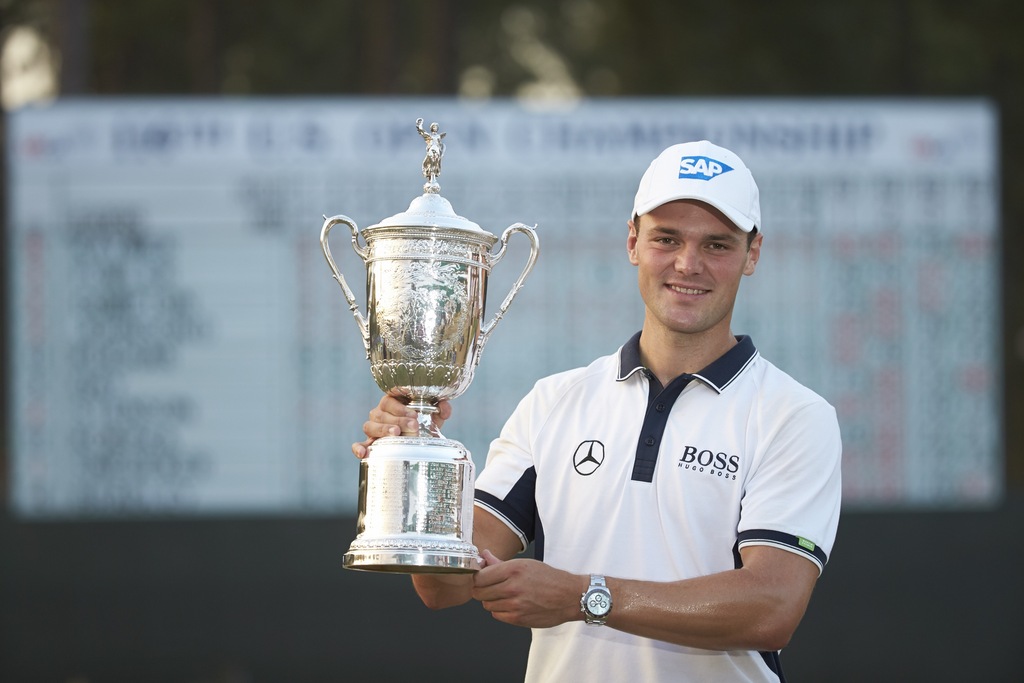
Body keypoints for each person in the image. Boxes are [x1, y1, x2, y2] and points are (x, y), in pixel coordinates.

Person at [352, 140, 842, 682]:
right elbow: (442, 587)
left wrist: (587, 597)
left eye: (718, 245)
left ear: (752, 254)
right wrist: (414, 460)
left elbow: (771, 607)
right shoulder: (555, 401)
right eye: (667, 239)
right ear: (633, 240)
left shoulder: (794, 416)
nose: (688, 264)